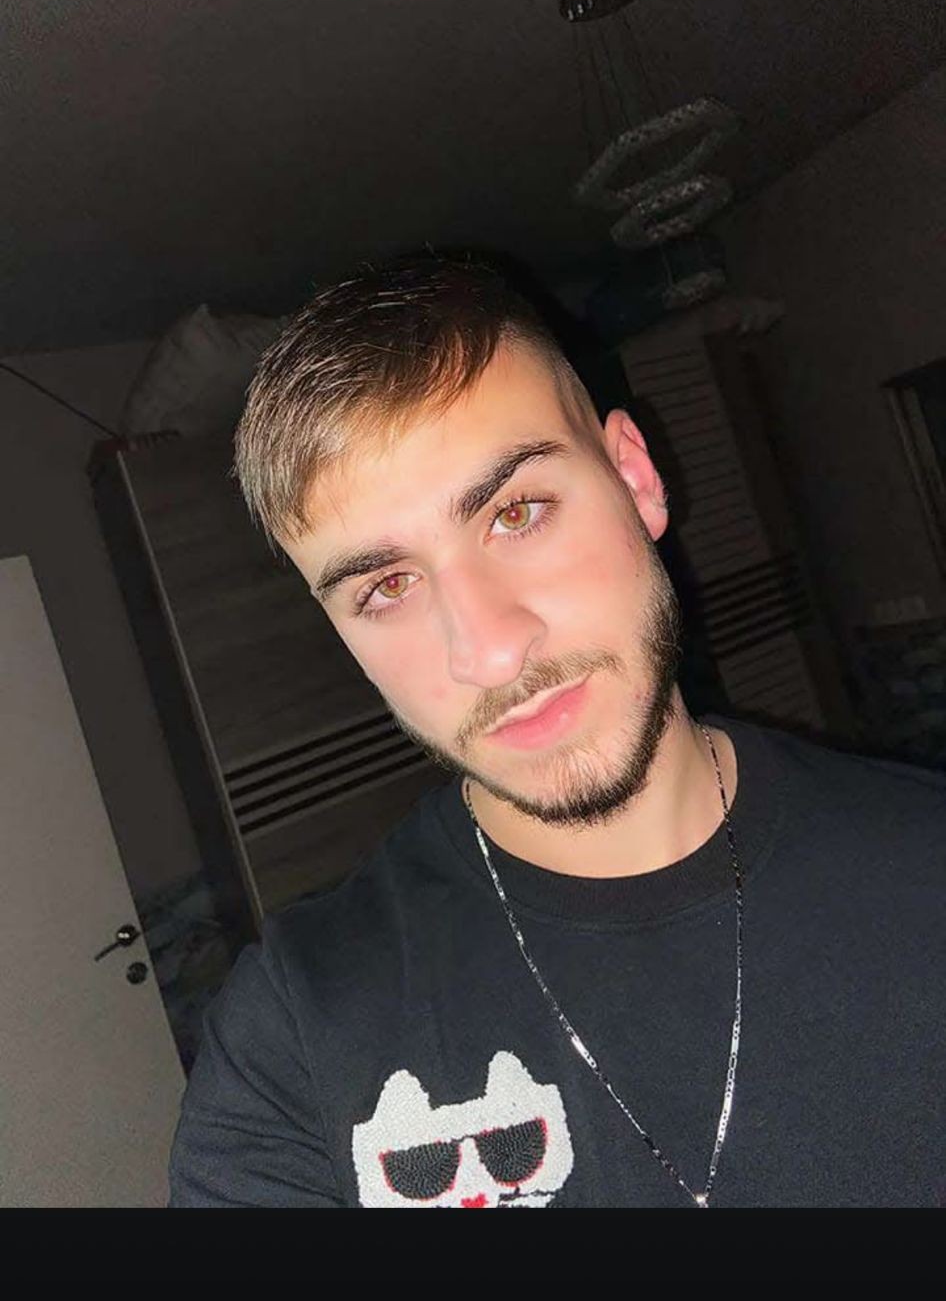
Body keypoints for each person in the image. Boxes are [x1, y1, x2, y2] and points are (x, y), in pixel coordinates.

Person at [168, 249, 945, 1208]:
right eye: (387, 586)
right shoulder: (294, 1040)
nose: (491, 651)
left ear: (636, 478)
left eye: (518, 512)